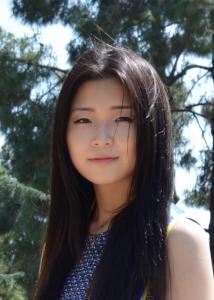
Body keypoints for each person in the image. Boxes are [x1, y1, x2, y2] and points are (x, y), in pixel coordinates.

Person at [33, 44, 214, 300]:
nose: (101, 138)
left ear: (151, 130)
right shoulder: (60, 243)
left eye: (123, 119)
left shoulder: (179, 241)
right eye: (84, 120)